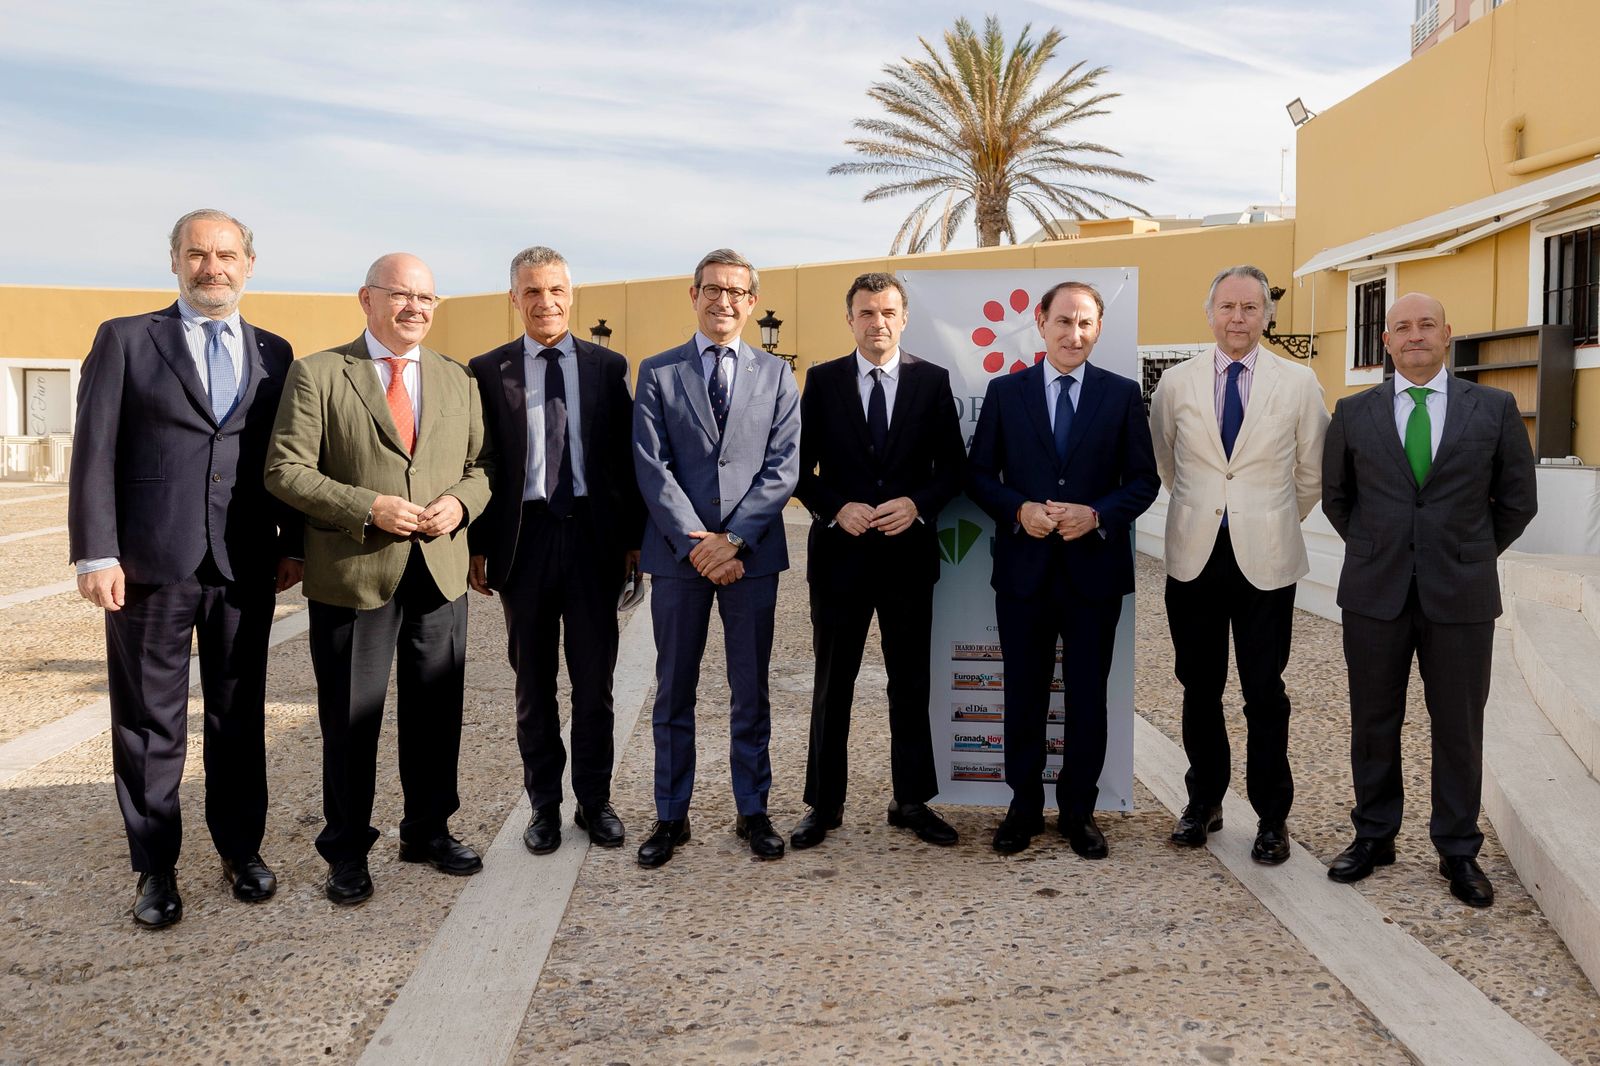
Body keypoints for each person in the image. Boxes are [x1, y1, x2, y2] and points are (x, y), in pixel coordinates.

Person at [68, 208, 301, 929]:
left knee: (239, 718)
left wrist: (291, 543)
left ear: (249, 264)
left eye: (226, 255)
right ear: (175, 260)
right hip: (147, 567)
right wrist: (96, 552)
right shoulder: (128, 340)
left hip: (242, 567)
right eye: (198, 254)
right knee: (148, 722)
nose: (213, 268)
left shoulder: (274, 350)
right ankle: (155, 869)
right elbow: (94, 450)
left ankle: (241, 851)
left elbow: (279, 458)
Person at [264, 252, 492, 906]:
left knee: (435, 714)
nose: (415, 307)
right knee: (351, 720)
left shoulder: (457, 378)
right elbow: (285, 470)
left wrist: (461, 504)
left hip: (438, 572)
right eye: (400, 295)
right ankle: (346, 850)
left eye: (426, 297)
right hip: (354, 577)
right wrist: (368, 507)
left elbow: (483, 466)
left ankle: (427, 831)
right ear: (366, 299)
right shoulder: (318, 374)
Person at [1322, 292, 1536, 908]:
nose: (1413, 336)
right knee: (1373, 722)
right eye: (1400, 328)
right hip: (1374, 592)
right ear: (1385, 342)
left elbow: (1519, 501)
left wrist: (1468, 551)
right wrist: (1378, 546)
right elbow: (1339, 498)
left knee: (1460, 728)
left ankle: (1458, 849)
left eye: (1426, 326)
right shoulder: (1353, 411)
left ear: (1448, 334)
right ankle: (1374, 835)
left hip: (1462, 594)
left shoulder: (1494, 408)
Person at [966, 281, 1159, 858]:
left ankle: (1079, 811)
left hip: (1092, 575)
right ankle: (1023, 807)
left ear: (1098, 328)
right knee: (1022, 694)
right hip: (1024, 574)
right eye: (1064, 322)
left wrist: (1096, 513)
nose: (1075, 334)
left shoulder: (1122, 395)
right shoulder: (1005, 393)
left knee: (1087, 698)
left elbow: (1144, 481)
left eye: (1086, 324)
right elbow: (976, 476)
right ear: (1041, 322)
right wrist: (1018, 510)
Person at [1148, 265, 1329, 864]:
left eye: (1250, 308)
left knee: (1264, 693)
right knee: (1199, 687)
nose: (1237, 319)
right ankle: (1203, 802)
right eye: (1227, 307)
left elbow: (1311, 474)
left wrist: (1268, 517)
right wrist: (1210, 509)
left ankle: (1272, 817)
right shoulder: (1175, 383)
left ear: (1266, 317)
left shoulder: (1299, 383)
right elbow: (1167, 465)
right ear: (1209, 313)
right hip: (1194, 557)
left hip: (1266, 561)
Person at [467, 246, 644, 856]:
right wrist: (477, 546)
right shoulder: (486, 370)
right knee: (533, 685)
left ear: (572, 295)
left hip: (593, 540)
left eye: (556, 291)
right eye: (532, 292)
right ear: (514, 298)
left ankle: (595, 801)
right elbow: (481, 463)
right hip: (526, 541)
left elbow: (625, 460)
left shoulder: (607, 366)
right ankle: (544, 805)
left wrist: (633, 544)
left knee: (594, 684)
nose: (545, 303)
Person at [631, 248, 801, 867]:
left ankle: (752, 810)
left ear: (751, 302)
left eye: (735, 291)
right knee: (674, 690)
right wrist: (699, 544)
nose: (723, 300)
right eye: (712, 289)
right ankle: (671, 816)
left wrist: (736, 540)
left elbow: (783, 468)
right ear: (694, 294)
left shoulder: (778, 376)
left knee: (749, 691)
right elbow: (652, 467)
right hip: (680, 561)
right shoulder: (657, 371)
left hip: (751, 560)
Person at [790, 271, 965, 850]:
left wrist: (917, 505)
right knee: (831, 684)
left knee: (910, 683)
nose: (878, 323)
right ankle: (823, 805)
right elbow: (797, 471)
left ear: (904, 318)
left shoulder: (932, 382)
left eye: (888, 312)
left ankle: (911, 801)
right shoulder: (822, 381)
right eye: (866, 313)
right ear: (850, 319)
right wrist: (836, 507)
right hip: (840, 560)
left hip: (908, 560)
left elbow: (955, 471)